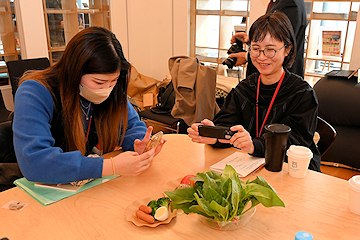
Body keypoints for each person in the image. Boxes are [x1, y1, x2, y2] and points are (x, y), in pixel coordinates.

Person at [12, 27, 165, 184]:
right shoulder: (35, 92)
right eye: (99, 82)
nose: (106, 89)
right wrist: (109, 166)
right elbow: (35, 163)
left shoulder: (111, 89)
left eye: (114, 81)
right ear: (75, 71)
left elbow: (131, 126)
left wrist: (139, 144)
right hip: (45, 188)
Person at [188, 12, 321, 171]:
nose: (262, 57)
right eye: (256, 48)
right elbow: (227, 125)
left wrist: (254, 145)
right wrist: (215, 135)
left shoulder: (302, 94)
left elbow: (295, 144)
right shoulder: (245, 88)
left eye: (270, 50)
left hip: (290, 171)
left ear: (288, 49)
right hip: (248, 166)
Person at [229, 0, 307, 78]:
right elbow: (273, 36)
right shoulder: (280, 2)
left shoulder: (290, 4)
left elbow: (283, 41)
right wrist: (251, 39)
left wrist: (246, 57)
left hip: (283, 79)